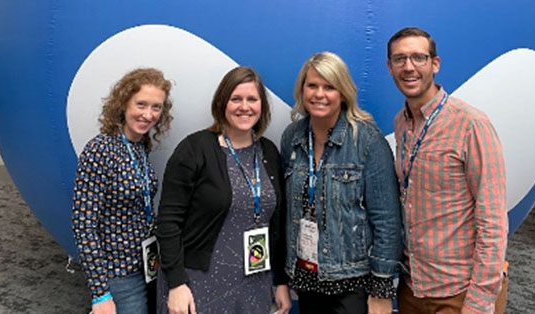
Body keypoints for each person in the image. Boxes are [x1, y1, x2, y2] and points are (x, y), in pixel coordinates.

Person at [387, 27, 509, 314]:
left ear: (435, 64)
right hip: (413, 287)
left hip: (459, 291)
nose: (409, 67)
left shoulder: (471, 124)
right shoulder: (401, 124)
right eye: (400, 59)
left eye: (418, 57)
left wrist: (479, 300)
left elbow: (492, 219)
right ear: (389, 67)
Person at [155, 67, 291, 314]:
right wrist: (176, 283)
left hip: (253, 283)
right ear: (221, 103)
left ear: (262, 106)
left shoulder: (268, 152)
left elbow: (277, 225)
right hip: (198, 284)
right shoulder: (194, 149)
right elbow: (168, 222)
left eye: (252, 99)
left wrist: (280, 280)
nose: (244, 107)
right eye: (235, 99)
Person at [280, 52, 402, 314]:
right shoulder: (292, 137)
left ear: (343, 93)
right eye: (312, 85)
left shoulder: (367, 141)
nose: (319, 94)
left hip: (352, 283)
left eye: (329, 87)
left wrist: (381, 290)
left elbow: (387, 221)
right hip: (306, 276)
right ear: (302, 90)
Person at [72, 68, 174, 314]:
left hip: (146, 265)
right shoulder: (100, 150)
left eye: (156, 107)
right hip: (118, 275)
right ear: (124, 103)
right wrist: (100, 293)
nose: (148, 114)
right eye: (141, 104)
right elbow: (83, 225)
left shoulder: (140, 146)